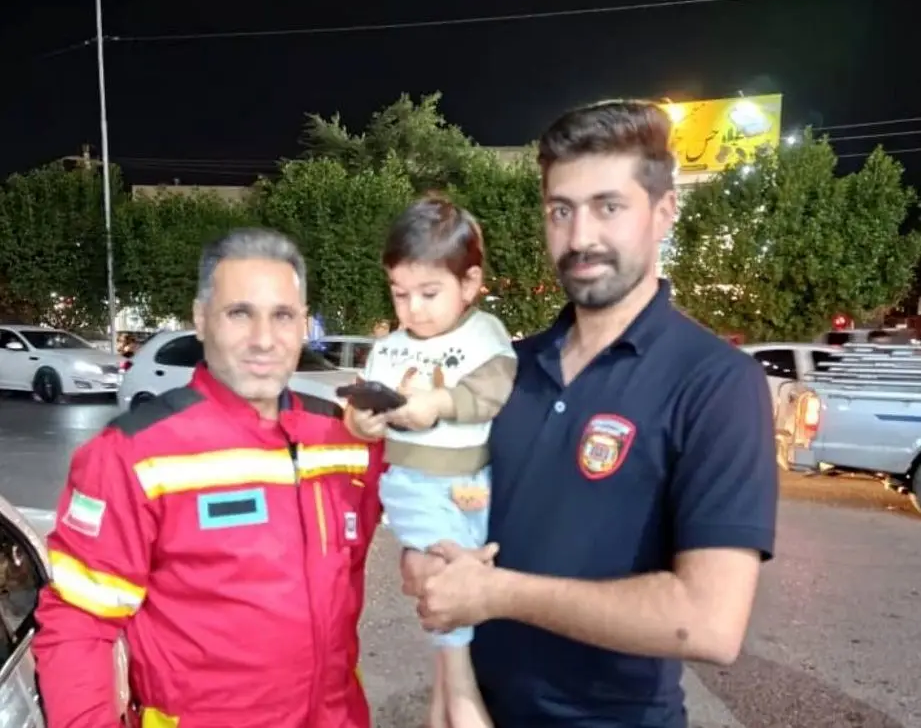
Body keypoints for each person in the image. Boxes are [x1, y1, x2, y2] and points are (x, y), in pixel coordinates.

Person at [402, 100, 778, 728]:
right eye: (561, 210)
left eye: (608, 207)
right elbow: (445, 522)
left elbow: (710, 622)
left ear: (664, 213)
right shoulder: (505, 370)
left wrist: (499, 594)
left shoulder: (716, 383)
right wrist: (451, 673)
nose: (580, 238)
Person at [34, 228, 385, 728]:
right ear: (201, 319)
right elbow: (80, 623)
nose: (264, 339)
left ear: (304, 323)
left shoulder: (342, 438)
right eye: (239, 313)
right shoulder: (132, 456)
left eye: (283, 315)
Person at [345, 196, 517, 728]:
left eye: (428, 292)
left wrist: (438, 404)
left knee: (461, 586)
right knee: (449, 585)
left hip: (476, 485)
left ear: (469, 284)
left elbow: (494, 390)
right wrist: (362, 423)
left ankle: (445, 703)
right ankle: (463, 697)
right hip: (415, 486)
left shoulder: (484, 334)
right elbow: (359, 409)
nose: (413, 309)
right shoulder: (389, 348)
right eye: (400, 294)